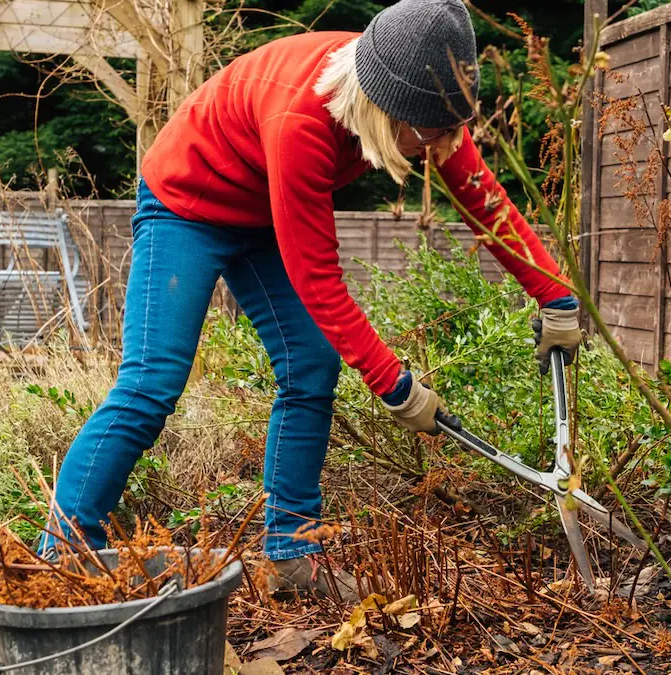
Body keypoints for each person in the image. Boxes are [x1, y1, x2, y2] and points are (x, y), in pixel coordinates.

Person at [43, 0, 582, 602]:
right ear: (384, 108)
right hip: (187, 204)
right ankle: (61, 557)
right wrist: (396, 386)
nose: (443, 146)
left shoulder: (419, 84)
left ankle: (293, 554)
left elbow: (485, 199)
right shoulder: (302, 121)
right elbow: (319, 280)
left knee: (312, 366)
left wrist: (555, 296)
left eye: (450, 130)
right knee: (151, 382)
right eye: (431, 134)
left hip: (260, 206)